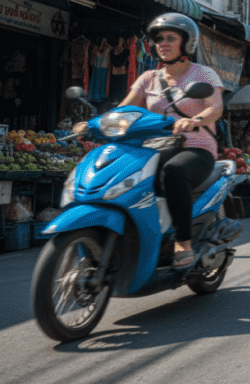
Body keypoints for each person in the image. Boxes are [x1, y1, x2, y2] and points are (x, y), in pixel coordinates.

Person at [75, 13, 226, 268]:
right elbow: (121, 112)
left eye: (170, 38)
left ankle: (183, 241)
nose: (163, 44)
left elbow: (216, 108)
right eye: (158, 39)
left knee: (173, 172)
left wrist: (194, 120)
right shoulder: (147, 79)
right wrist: (91, 125)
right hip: (153, 148)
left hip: (196, 148)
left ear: (186, 43)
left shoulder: (204, 74)